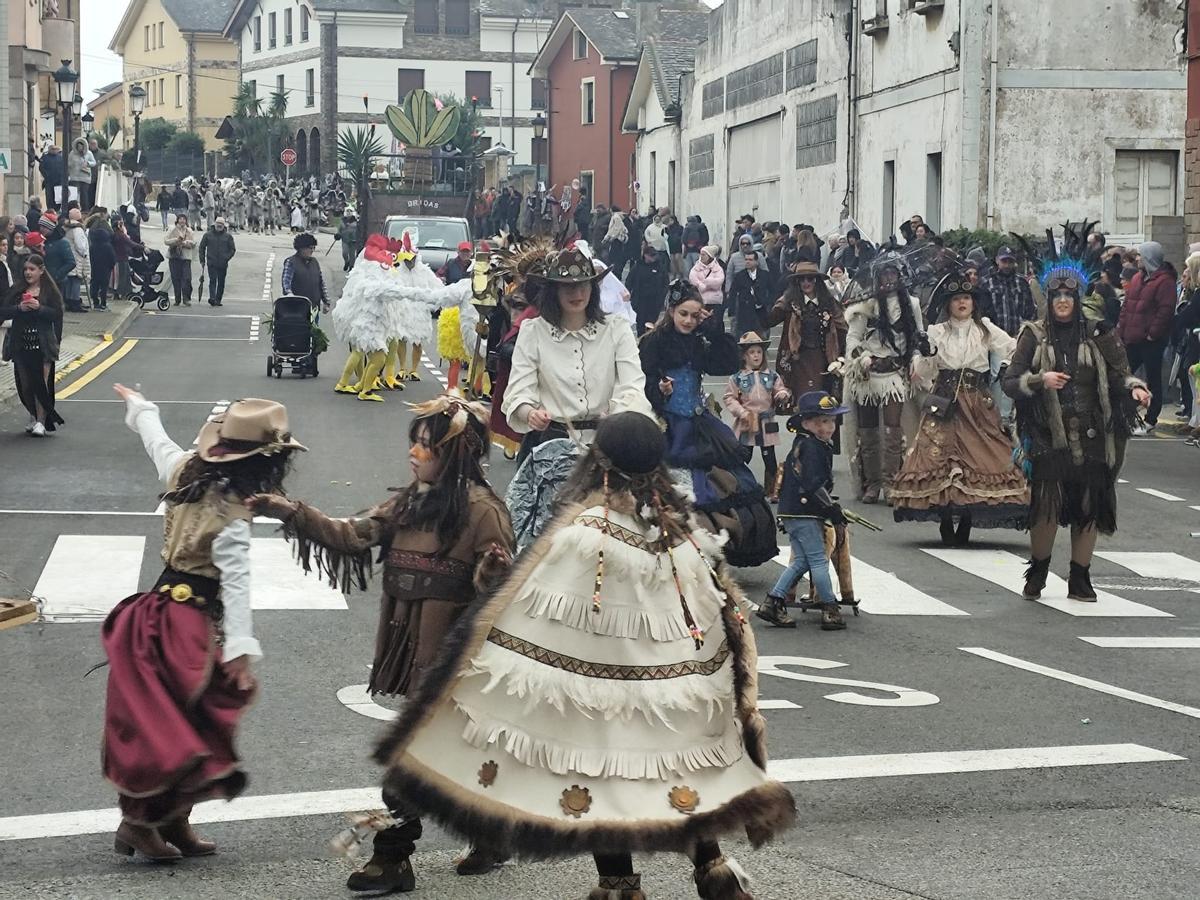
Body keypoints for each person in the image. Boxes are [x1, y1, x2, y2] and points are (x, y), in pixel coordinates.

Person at [363, 411, 795, 899]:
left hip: (599, 699)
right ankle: (714, 870)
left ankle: (619, 885)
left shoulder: (583, 533)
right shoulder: (679, 532)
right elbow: (720, 615)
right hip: (675, 694)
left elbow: (525, 613)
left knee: (598, 784)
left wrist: (486, 591)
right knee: (679, 770)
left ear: (598, 464)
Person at [248, 395, 515, 891]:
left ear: (454, 456)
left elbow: (505, 603)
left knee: (407, 763)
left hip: (455, 669)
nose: (414, 454)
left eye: (426, 447)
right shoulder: (408, 502)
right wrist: (290, 511)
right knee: (444, 759)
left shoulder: (485, 513)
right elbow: (351, 536)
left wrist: (492, 577)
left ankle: (392, 858)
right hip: (412, 654)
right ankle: (490, 832)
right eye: (413, 443)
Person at [101, 388, 304, 860]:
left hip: (151, 615)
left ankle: (173, 821)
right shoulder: (235, 511)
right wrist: (239, 651)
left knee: (166, 722)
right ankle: (138, 824)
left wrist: (143, 408)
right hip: (186, 628)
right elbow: (235, 583)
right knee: (178, 726)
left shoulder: (184, 471)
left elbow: (156, 439)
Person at [1003, 258, 1151, 602]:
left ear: (1079, 297)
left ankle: (1080, 578)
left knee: (1089, 506)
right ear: (1049, 300)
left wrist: (1135, 389)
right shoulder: (1033, 335)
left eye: (1070, 295)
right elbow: (1010, 381)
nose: (1063, 301)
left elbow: (1120, 374)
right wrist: (1041, 380)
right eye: (1057, 296)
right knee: (1047, 507)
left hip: (1093, 434)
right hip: (1046, 434)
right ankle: (1038, 570)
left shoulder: (1100, 332)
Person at [640, 280, 779, 568]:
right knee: (672, 487)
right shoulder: (655, 341)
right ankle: (672, 547)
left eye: (694, 315)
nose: (689, 321)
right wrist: (659, 391)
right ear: (671, 310)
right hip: (668, 424)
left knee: (724, 482)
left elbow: (724, 365)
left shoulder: (699, 338)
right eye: (683, 314)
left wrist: (714, 331)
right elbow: (642, 380)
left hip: (698, 421)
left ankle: (708, 547)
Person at [890, 271, 1029, 544]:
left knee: (979, 455)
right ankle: (944, 517)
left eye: (966, 298)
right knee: (939, 456)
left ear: (973, 303)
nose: (962, 303)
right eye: (956, 299)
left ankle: (966, 517)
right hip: (943, 401)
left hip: (977, 401)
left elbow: (1014, 349)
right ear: (948, 304)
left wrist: (1011, 367)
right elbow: (924, 372)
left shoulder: (985, 328)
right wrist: (926, 354)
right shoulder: (936, 332)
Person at [502, 246, 650, 466]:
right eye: (567, 287)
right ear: (554, 291)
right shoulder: (533, 332)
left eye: (583, 285)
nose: (578, 294)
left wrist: (617, 414)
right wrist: (530, 413)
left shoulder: (617, 328)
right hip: (549, 447)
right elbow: (519, 389)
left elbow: (632, 385)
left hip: (608, 445)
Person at [756, 390, 852, 631]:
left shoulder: (808, 444)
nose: (830, 427)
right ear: (807, 423)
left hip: (793, 512)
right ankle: (830, 609)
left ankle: (773, 602)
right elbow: (811, 483)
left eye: (832, 421)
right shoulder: (812, 448)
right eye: (823, 421)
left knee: (800, 562)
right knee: (818, 560)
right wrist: (830, 508)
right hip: (805, 511)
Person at [0, 255, 65, 435]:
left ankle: (41, 422)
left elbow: (57, 314)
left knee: (41, 384)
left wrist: (40, 308)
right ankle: (33, 414)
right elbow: (3, 311)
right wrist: (19, 308)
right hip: (20, 343)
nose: (28, 272)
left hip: (43, 344)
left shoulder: (49, 291)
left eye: (32, 269)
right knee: (26, 384)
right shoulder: (17, 290)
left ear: (41, 271)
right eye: (26, 269)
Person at [1117, 241, 1176, 434]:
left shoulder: (1165, 281)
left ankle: (1150, 419)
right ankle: (1125, 414)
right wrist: (1121, 330)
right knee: (1123, 376)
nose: (1138, 259)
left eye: (1141, 255)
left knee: (1152, 379)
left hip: (1151, 341)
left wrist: (1153, 334)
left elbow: (1165, 311)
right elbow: (1127, 305)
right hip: (1132, 338)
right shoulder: (1137, 278)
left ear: (1150, 257)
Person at [768, 262, 848, 402]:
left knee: (823, 399)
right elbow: (769, 320)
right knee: (803, 400)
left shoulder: (829, 302)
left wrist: (844, 355)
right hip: (797, 359)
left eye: (810, 278)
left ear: (816, 281)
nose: (806, 282)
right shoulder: (788, 302)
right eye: (802, 279)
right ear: (797, 282)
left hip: (824, 358)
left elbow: (842, 328)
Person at [725, 332, 791, 499]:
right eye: (752, 352)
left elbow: (780, 389)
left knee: (769, 456)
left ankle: (772, 490)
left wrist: (782, 394)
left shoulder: (771, 376)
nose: (756, 355)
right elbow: (729, 397)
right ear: (745, 356)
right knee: (744, 455)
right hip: (747, 420)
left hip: (766, 421)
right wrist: (741, 412)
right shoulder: (738, 378)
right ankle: (739, 484)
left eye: (759, 352)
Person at [980, 247, 1035, 338]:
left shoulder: (1022, 283)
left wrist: (1026, 332)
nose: (1007, 265)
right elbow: (982, 313)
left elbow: (1031, 310)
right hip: (995, 338)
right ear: (997, 260)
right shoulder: (987, 283)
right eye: (1004, 261)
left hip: (1019, 337)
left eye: (1010, 262)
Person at [626, 243, 670, 333]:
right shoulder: (637, 267)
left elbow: (665, 282)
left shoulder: (660, 267)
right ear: (645, 256)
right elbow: (629, 281)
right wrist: (628, 293)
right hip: (640, 300)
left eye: (654, 255)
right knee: (640, 323)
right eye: (651, 256)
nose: (653, 258)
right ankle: (641, 339)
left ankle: (649, 339)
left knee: (651, 323)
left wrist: (662, 296)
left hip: (654, 301)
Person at [281, 231, 329, 312]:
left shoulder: (315, 262)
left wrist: (326, 301)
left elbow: (321, 283)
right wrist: (289, 294)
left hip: (314, 307)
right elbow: (286, 282)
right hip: (297, 308)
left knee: (314, 324)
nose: (312, 250)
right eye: (310, 248)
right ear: (301, 248)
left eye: (314, 248)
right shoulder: (291, 262)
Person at [729, 251, 774, 337]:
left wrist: (768, 303)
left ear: (756, 262)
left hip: (761, 312)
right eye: (746, 259)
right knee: (744, 338)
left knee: (762, 337)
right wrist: (732, 312)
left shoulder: (764, 275)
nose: (747, 262)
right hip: (745, 313)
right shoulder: (740, 276)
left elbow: (773, 291)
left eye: (750, 259)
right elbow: (733, 293)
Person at [198, 217, 236, 307]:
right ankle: (212, 298)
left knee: (221, 282)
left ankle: (218, 299)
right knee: (212, 280)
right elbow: (201, 248)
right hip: (212, 262)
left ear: (224, 226)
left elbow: (232, 249)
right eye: (218, 223)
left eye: (221, 224)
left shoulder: (228, 237)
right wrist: (202, 260)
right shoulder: (207, 235)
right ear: (214, 224)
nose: (219, 225)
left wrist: (226, 258)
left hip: (223, 263)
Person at [62, 209, 91, 313]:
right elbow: (80, 245)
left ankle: (69, 302)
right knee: (76, 281)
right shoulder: (78, 229)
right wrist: (84, 254)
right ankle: (75, 302)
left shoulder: (66, 228)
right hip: (77, 258)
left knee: (70, 280)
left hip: (69, 256)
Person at [164, 213, 196, 306]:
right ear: (177, 220)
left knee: (186, 278)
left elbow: (193, 243)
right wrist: (176, 240)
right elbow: (166, 241)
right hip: (174, 257)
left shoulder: (189, 231)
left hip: (185, 257)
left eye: (184, 219)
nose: (182, 221)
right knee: (175, 278)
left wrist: (185, 242)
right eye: (180, 219)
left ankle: (186, 298)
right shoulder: (172, 229)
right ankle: (177, 299)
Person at [689, 245, 727, 319]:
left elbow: (719, 281)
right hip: (700, 299)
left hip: (715, 300)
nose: (701, 256)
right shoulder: (696, 267)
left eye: (704, 255)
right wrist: (700, 286)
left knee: (715, 321)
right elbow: (693, 279)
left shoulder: (717, 268)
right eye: (701, 254)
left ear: (709, 256)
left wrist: (707, 282)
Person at [112, 219, 144, 304]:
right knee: (123, 277)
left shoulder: (114, 235)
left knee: (118, 278)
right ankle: (121, 294)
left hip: (117, 259)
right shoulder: (121, 235)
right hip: (122, 259)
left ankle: (117, 293)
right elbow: (131, 243)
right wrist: (142, 247)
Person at [334, 208, 361, 272]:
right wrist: (337, 234)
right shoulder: (342, 220)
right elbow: (339, 230)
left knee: (352, 255)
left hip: (353, 240)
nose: (349, 212)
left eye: (350, 211)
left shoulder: (356, 221)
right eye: (347, 211)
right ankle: (347, 262)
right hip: (345, 239)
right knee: (344, 253)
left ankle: (351, 267)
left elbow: (359, 230)